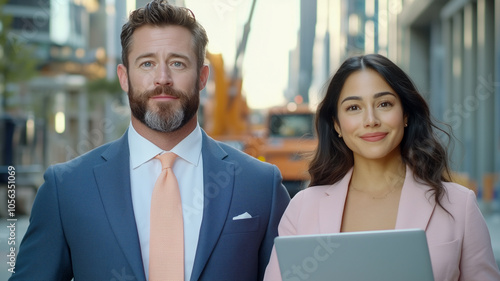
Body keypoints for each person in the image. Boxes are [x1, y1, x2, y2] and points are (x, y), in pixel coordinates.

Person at [10, 1, 290, 280]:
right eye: (147, 63)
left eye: (178, 63)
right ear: (124, 77)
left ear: (202, 77)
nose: (162, 78)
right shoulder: (67, 188)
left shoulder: (260, 184)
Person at [264, 54, 500, 281]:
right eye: (354, 108)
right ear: (336, 124)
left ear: (405, 114)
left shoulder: (459, 205)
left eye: (384, 104)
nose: (371, 120)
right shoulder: (302, 208)